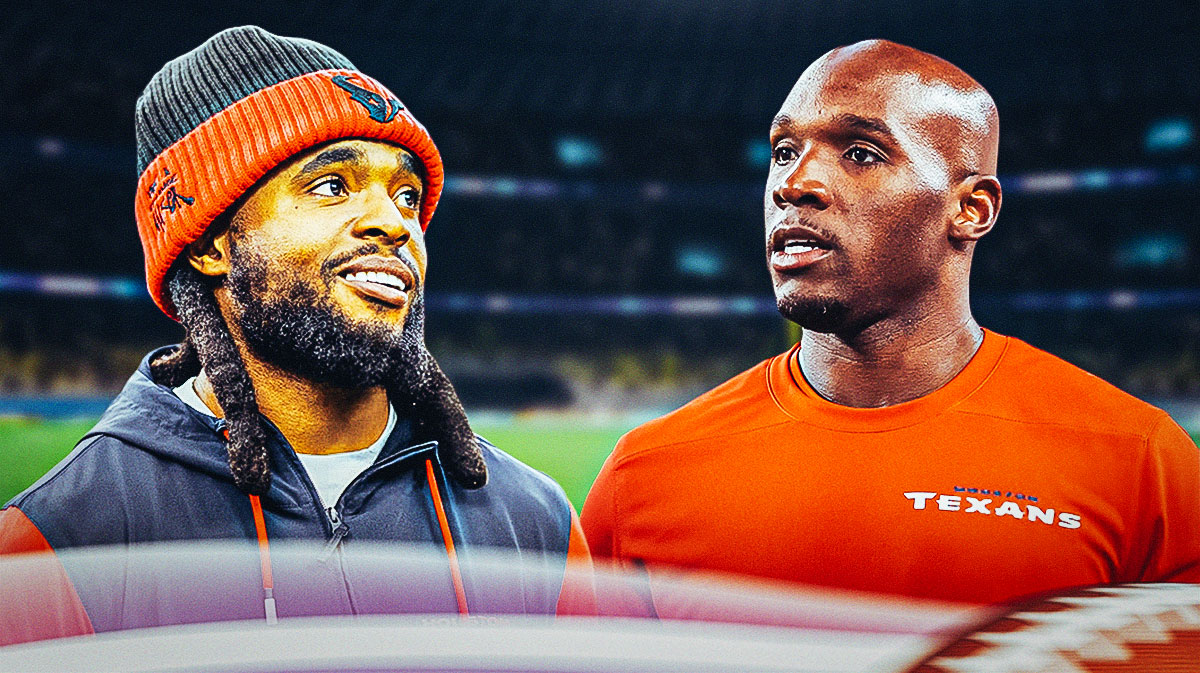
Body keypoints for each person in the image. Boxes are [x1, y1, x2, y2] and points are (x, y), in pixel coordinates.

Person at [0, 26, 590, 644]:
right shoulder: (61, 540)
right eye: (332, 185)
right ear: (209, 244)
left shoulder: (535, 523)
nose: (394, 223)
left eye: (408, 195)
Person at [581, 39, 1199, 606]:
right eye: (784, 152)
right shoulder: (646, 473)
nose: (793, 185)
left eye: (860, 153)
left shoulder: (1139, 466)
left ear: (971, 209)